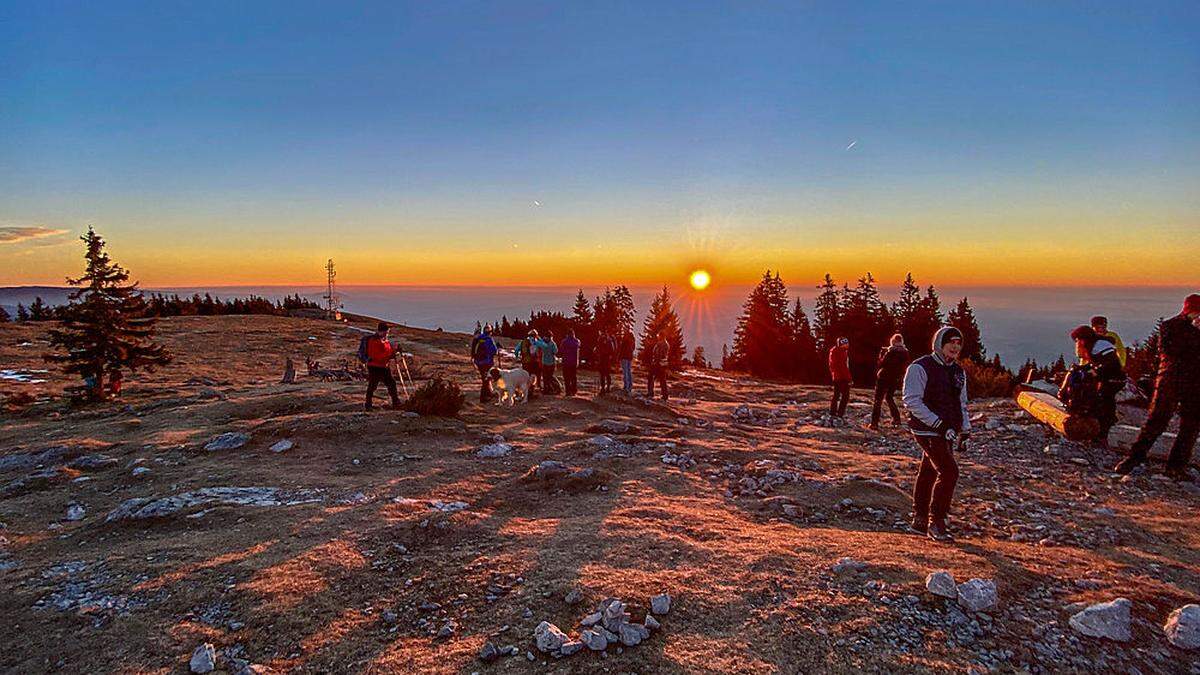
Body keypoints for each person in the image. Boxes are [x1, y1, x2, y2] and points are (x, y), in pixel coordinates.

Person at [1113, 294, 1200, 479]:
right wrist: (1194, 333)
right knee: (1156, 421)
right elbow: (1169, 352)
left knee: (1191, 426)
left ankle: (1176, 466)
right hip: (1170, 380)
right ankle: (1133, 459)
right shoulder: (1170, 326)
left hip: (1194, 383)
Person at [902, 326, 970, 542]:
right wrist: (937, 423)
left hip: (946, 430)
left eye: (959, 343)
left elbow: (961, 402)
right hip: (927, 429)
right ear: (939, 343)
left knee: (929, 471)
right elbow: (912, 400)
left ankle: (920, 520)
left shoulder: (958, 372)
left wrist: (965, 428)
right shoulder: (920, 368)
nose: (955, 346)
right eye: (950, 342)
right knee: (949, 472)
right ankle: (936, 522)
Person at [1069, 324, 1125, 444]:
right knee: (1102, 400)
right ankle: (1100, 428)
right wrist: (1084, 367)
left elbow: (1111, 364)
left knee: (1103, 401)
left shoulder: (1100, 346)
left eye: (1078, 340)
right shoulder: (1096, 345)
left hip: (1113, 379)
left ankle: (1103, 432)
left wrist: (1096, 372)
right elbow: (1097, 362)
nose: (1077, 343)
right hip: (1109, 377)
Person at [870, 334, 909, 430]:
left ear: (893, 341)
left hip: (884, 377)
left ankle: (874, 423)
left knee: (878, 400)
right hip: (895, 378)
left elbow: (882, 364)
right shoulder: (905, 353)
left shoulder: (890, 352)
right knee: (889, 397)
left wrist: (882, 355)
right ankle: (896, 419)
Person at [359, 322, 400, 410]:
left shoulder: (385, 340)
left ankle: (396, 403)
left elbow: (387, 352)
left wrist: (394, 352)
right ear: (380, 331)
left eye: (388, 332)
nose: (387, 334)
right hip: (375, 366)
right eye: (386, 332)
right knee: (373, 385)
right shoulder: (374, 341)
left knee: (391, 383)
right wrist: (390, 356)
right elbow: (376, 356)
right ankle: (368, 405)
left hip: (384, 366)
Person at [471, 324, 499, 403]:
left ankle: (488, 393)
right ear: (490, 332)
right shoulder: (488, 339)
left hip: (479, 362)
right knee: (486, 379)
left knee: (485, 378)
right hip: (487, 362)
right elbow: (494, 351)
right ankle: (483, 398)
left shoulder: (478, 338)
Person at [828, 337, 852, 417]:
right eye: (846, 343)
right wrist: (849, 379)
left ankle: (832, 412)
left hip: (836, 376)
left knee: (836, 395)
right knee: (845, 396)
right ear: (842, 344)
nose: (848, 345)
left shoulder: (833, 352)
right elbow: (843, 367)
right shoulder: (841, 353)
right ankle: (840, 414)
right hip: (842, 377)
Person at [515, 330, 541, 398]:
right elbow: (544, 346)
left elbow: (516, 350)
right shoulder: (537, 341)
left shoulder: (523, 342)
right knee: (533, 377)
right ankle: (531, 391)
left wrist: (517, 357)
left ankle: (525, 392)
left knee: (526, 378)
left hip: (525, 362)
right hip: (534, 362)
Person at [646, 336, 670, 401]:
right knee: (663, 380)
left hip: (657, 364)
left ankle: (650, 392)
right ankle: (665, 395)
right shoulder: (667, 344)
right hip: (664, 364)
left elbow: (657, 354)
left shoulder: (659, 345)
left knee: (650, 377)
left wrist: (655, 362)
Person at [560, 329, 581, 396]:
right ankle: (574, 391)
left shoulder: (564, 341)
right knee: (573, 377)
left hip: (566, 361)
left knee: (566, 377)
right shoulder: (577, 341)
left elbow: (561, 350)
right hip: (573, 362)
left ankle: (568, 391)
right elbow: (577, 352)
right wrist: (577, 361)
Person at [618, 330, 636, 394]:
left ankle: (626, 386)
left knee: (625, 372)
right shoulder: (632, 341)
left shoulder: (625, 341)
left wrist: (619, 357)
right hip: (630, 357)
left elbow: (621, 349)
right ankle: (630, 386)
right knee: (628, 371)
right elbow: (633, 348)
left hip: (624, 357)